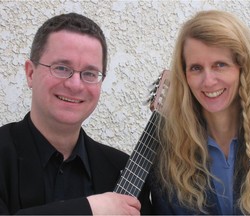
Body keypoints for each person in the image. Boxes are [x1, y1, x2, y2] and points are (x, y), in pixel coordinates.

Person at [0, 13, 151, 215]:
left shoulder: (122, 169)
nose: (75, 84)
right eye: (62, 68)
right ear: (30, 73)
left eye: (89, 73)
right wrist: (90, 209)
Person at [150, 10, 250, 215]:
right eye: (196, 68)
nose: (208, 81)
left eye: (220, 65)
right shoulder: (165, 156)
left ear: (244, 69)